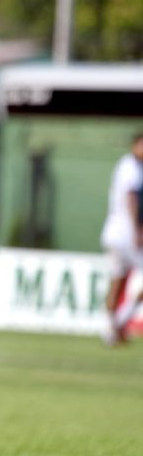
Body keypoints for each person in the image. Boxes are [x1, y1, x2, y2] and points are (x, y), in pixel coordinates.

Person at [99, 133, 143, 344]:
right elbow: (131, 198)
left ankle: (111, 330)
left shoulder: (125, 165)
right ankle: (117, 323)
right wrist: (138, 230)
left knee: (117, 281)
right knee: (118, 282)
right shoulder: (131, 167)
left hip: (114, 232)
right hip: (126, 235)